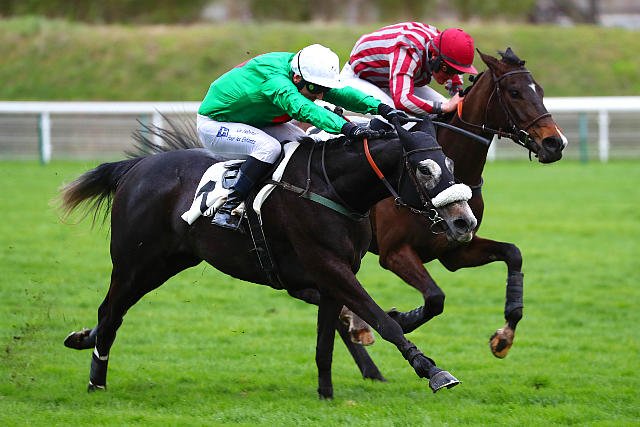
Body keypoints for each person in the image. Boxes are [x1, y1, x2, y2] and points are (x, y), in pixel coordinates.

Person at [197, 44, 407, 230]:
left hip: (256, 121)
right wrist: (347, 128)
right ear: (297, 78)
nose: (321, 95)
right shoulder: (276, 81)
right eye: (316, 89)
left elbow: (342, 94)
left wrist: (382, 108)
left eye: (325, 88)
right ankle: (229, 206)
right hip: (216, 123)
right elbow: (303, 109)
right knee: (268, 148)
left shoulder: (306, 74)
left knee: (307, 145)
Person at [340, 22, 478, 117]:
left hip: (392, 79)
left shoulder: (441, 45)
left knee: (446, 113)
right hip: (359, 78)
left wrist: (457, 91)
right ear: (434, 56)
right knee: (395, 116)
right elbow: (402, 101)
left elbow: (453, 69)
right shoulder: (408, 49)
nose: (451, 75)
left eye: (458, 71)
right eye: (447, 69)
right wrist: (444, 107)